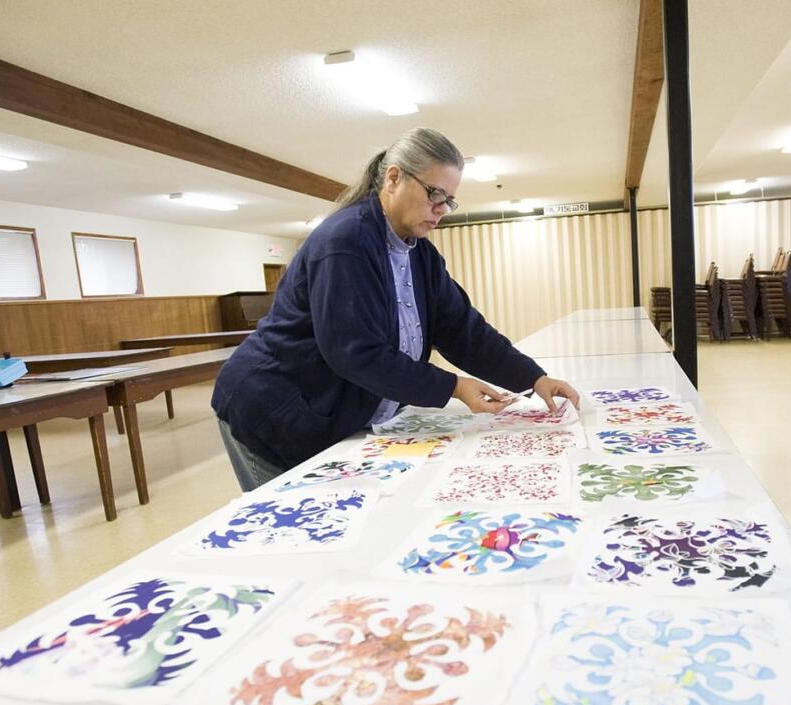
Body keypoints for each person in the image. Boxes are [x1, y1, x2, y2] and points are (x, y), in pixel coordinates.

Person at [212, 127, 580, 491]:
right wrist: (451, 385)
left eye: (449, 201)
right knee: (294, 530)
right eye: (435, 194)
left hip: (325, 408)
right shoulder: (346, 241)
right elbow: (354, 351)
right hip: (272, 407)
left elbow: (464, 331)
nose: (441, 210)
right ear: (393, 178)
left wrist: (532, 378)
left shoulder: (421, 255)